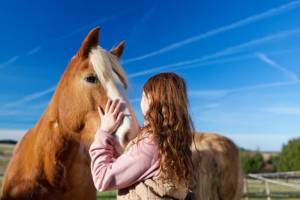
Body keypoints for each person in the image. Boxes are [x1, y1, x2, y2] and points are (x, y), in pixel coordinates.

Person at [89, 72, 195, 199]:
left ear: (154, 101)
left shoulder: (150, 145)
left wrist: (104, 132)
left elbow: (102, 179)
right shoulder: (173, 142)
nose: (140, 101)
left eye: (144, 96)